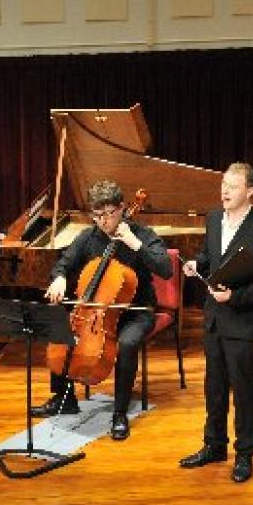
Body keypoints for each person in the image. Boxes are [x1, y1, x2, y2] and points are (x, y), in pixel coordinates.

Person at [31, 180, 172, 440]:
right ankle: (64, 396)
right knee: (60, 327)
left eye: (109, 214)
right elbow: (64, 263)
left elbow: (166, 269)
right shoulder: (89, 237)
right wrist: (59, 277)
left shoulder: (141, 234)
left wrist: (134, 244)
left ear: (121, 208)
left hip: (135, 310)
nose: (104, 221)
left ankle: (119, 413)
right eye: (97, 215)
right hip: (95, 311)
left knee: (127, 344)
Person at [179, 162, 253, 482]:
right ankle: (214, 445)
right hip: (214, 321)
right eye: (223, 184)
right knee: (215, 388)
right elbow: (211, 255)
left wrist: (234, 298)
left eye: (233, 186)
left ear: (250, 191)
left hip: (245, 325)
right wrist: (197, 262)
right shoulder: (213, 219)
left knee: (246, 392)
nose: (225, 191)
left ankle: (245, 455)